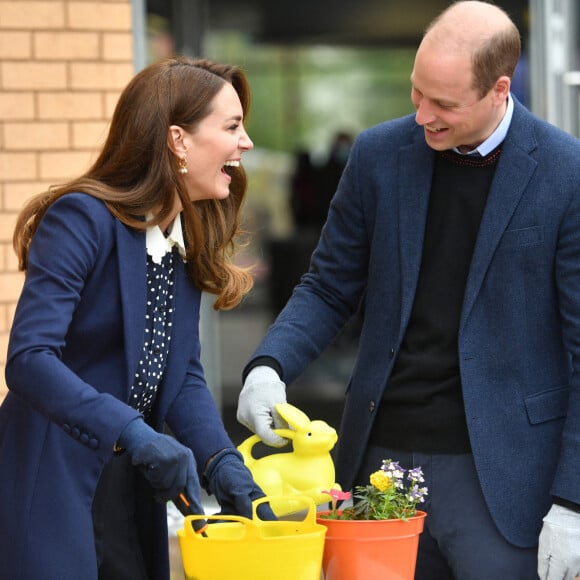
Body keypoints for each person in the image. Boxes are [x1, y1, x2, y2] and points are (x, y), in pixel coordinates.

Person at [237, 2, 580, 578]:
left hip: (505, 481)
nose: (423, 116)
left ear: (499, 90)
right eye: (416, 93)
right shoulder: (377, 157)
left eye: (443, 103)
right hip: (377, 458)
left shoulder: (566, 173)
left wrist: (573, 501)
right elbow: (328, 286)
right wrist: (269, 365)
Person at [0, 56, 273, 580]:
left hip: (131, 488)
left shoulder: (182, 237)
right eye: (233, 126)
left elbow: (184, 373)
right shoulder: (80, 219)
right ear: (178, 140)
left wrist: (222, 463)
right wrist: (134, 430)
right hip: (53, 480)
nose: (246, 143)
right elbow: (30, 359)